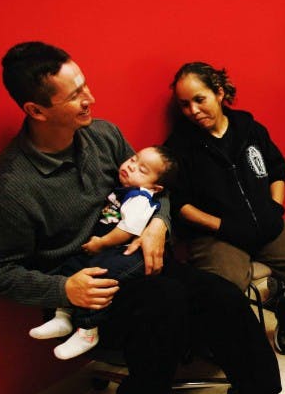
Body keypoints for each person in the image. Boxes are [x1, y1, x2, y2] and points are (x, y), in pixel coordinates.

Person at [0, 42, 285, 394]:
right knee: (166, 301)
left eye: (86, 85)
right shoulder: (9, 189)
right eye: (76, 95)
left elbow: (157, 187)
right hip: (92, 291)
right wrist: (64, 288)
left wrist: (158, 225)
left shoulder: (103, 135)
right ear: (36, 110)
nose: (90, 99)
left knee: (224, 297)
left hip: (144, 265)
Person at [165, 62, 285, 355]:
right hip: (216, 234)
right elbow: (180, 205)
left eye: (200, 99)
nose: (193, 110)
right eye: (184, 104)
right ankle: (239, 355)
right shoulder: (180, 146)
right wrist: (222, 226)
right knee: (227, 289)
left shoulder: (249, 128)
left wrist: (274, 208)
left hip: (264, 222)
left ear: (219, 93)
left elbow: (277, 170)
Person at [29, 146, 177, 360]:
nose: (131, 166)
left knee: (100, 279)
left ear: (155, 187)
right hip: (108, 248)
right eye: (133, 159)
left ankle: (88, 331)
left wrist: (100, 243)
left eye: (142, 170)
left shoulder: (141, 198)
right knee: (72, 267)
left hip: (127, 253)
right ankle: (63, 316)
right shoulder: (124, 189)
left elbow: (127, 230)